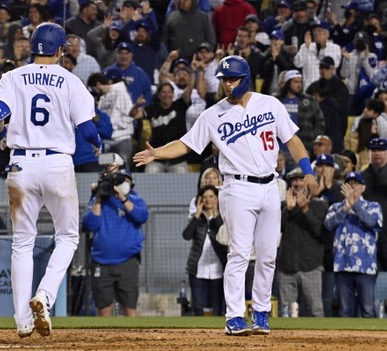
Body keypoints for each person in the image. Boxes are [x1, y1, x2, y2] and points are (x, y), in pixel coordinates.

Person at [133, 55, 319, 335]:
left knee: (268, 255)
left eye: (232, 79)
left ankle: (261, 313)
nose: (227, 85)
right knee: (240, 252)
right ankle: (234, 316)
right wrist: (157, 152)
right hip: (237, 187)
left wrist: (307, 171)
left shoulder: (270, 104)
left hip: (270, 186)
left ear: (245, 79)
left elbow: (292, 140)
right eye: (223, 80)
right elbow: (186, 145)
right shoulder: (213, 114)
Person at [0, 23, 103, 338]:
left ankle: (22, 320)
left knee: (22, 242)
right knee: (67, 237)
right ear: (60, 49)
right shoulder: (71, 81)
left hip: (20, 164)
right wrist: (99, 145)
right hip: (56, 164)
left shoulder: (12, 77)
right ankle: (45, 296)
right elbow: (89, 131)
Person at [82, 169, 148, 316]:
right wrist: (98, 197)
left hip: (127, 261)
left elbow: (142, 216)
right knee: (104, 309)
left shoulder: (135, 199)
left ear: (131, 183)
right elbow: (89, 224)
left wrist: (123, 199)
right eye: (117, 181)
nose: (120, 184)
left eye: (125, 181)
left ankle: (136, 339)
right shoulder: (99, 200)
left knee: (129, 308)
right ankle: (106, 339)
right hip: (101, 262)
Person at [324, 172, 383, 318]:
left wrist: (355, 205)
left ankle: (373, 341)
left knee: (368, 310)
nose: (352, 186)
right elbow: (328, 224)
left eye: (355, 184)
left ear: (363, 188)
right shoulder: (336, 207)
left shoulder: (373, 206)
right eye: (349, 183)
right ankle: (346, 341)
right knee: (344, 311)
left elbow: (372, 222)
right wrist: (345, 208)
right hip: (342, 264)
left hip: (365, 266)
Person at [277, 167, 328, 317]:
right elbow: (276, 229)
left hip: (310, 265)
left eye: (301, 180)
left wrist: (305, 208)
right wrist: (289, 209)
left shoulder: (320, 205)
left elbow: (320, 231)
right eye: (294, 180)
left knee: (316, 310)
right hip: (286, 265)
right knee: (285, 312)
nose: (297, 183)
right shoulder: (283, 206)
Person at [182, 185, 227, 316]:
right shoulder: (197, 219)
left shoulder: (222, 218)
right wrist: (197, 215)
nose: (208, 200)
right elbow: (186, 235)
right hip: (198, 271)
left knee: (217, 309)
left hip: (218, 270)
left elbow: (223, 233)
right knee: (198, 308)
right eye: (205, 197)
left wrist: (215, 214)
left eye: (211, 197)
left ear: (217, 199)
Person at [361, 138, 387, 271]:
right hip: (368, 235)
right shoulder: (361, 177)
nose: (377, 153)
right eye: (374, 150)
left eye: (381, 150)